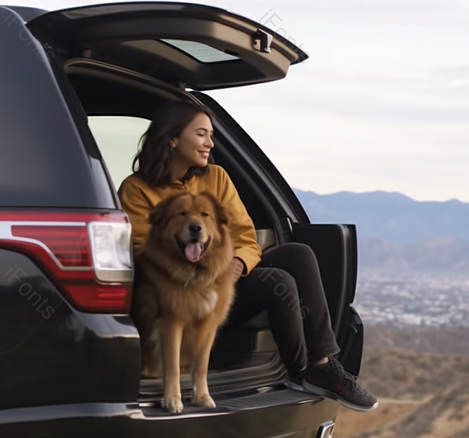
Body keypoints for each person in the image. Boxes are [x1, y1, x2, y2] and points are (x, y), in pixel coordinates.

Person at [118, 100, 378, 412]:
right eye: (201, 134)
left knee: (298, 254)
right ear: (172, 138)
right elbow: (145, 253)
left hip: (224, 284)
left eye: (211, 135)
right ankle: (299, 372)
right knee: (276, 281)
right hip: (180, 296)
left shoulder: (217, 177)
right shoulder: (136, 189)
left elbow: (245, 235)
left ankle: (322, 364)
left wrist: (237, 264)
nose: (210, 143)